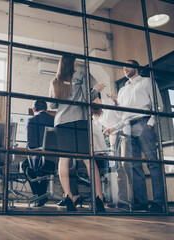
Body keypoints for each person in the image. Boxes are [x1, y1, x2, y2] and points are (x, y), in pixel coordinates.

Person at [104, 60, 164, 213]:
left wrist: (150, 124)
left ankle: (158, 202)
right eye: (123, 67)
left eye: (128, 66)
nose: (125, 69)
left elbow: (159, 105)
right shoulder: (123, 89)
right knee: (133, 166)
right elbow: (122, 115)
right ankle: (140, 202)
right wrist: (116, 103)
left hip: (144, 123)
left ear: (136, 68)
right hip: (127, 127)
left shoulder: (147, 82)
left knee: (153, 164)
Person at [50, 55, 106, 212]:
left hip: (61, 122)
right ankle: (99, 199)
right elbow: (87, 98)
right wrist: (95, 90)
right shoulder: (81, 75)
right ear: (73, 63)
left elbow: (53, 104)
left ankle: (68, 196)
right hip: (79, 120)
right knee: (88, 160)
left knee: (64, 160)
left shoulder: (55, 81)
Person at [21, 100, 54, 207]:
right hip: (55, 161)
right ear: (47, 109)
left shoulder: (32, 120)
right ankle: (42, 196)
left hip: (40, 159)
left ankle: (39, 195)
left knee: (26, 165)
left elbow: (31, 145)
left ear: (33, 109)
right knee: (46, 168)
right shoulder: (54, 120)